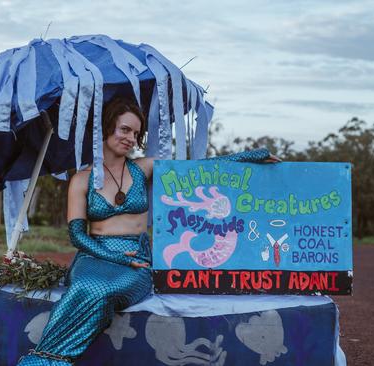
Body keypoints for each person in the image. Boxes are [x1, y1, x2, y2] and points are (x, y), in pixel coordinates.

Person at [17, 97, 278, 365]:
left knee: (104, 290)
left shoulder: (144, 168)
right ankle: (46, 360)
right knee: (86, 284)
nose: (131, 138)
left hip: (136, 259)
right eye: (124, 129)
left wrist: (248, 156)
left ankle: (45, 361)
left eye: (136, 133)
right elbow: (77, 236)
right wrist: (116, 257)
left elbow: (199, 170)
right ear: (107, 128)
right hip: (93, 256)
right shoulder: (82, 179)